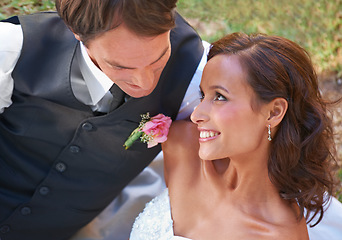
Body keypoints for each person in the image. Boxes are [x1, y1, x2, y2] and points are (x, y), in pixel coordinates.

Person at [0, 0, 209, 239]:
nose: (145, 82)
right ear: (76, 32)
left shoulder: (198, 72)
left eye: (158, 59)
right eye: (121, 67)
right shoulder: (11, 49)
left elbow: (258, 128)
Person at [130, 32, 342, 239]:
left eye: (220, 97)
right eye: (203, 95)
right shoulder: (181, 145)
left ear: (274, 112)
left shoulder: (278, 234)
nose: (196, 115)